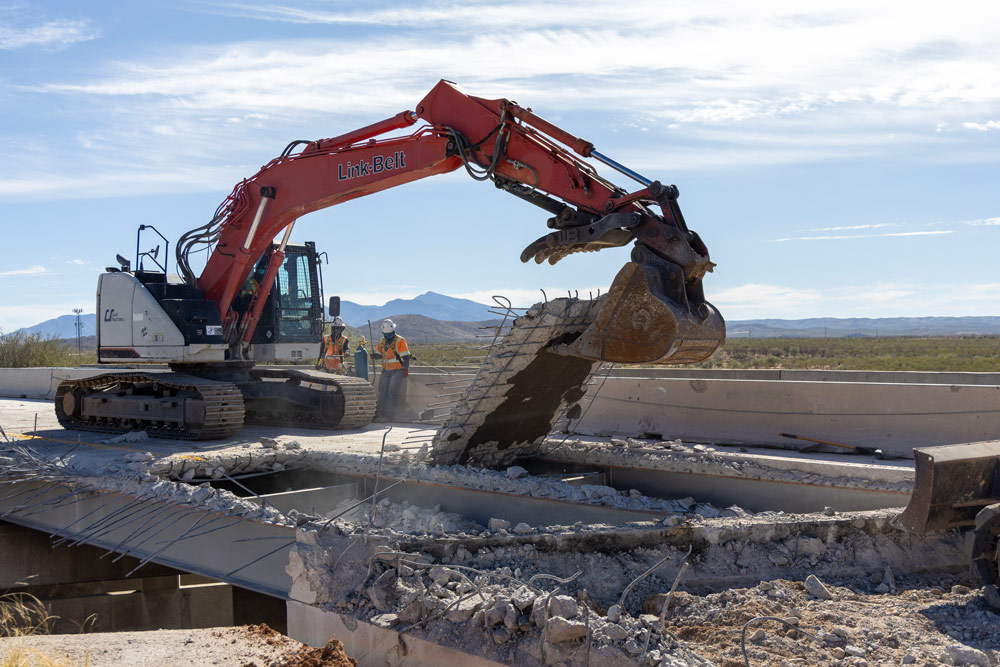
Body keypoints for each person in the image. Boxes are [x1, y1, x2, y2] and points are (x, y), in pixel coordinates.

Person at [372, 319, 410, 421]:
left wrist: (405, 369)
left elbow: (406, 356)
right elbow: (380, 354)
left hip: (397, 371)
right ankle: (379, 415)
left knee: (391, 393)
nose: (388, 336)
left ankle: (387, 416)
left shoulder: (400, 341)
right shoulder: (381, 341)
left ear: (393, 331)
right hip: (385, 370)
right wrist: (375, 356)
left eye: (389, 334)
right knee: (382, 392)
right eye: (386, 334)